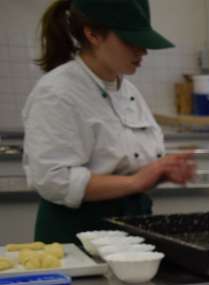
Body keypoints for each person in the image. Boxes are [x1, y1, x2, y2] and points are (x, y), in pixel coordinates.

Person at [23, 0, 196, 244]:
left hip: (131, 228)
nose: (142, 51)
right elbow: (55, 180)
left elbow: (128, 163)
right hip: (77, 234)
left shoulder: (127, 90)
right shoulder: (57, 93)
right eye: (129, 41)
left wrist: (162, 171)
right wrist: (136, 181)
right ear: (92, 34)